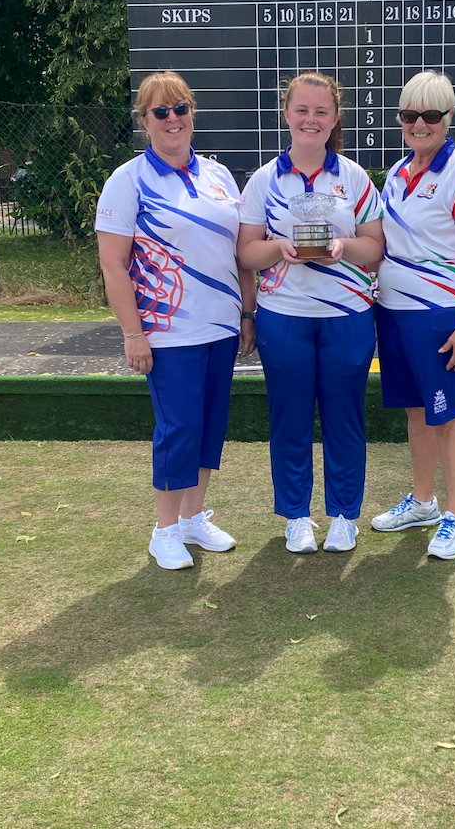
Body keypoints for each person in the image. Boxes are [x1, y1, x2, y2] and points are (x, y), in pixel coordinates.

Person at [95, 71, 257, 570]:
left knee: (209, 426)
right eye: (160, 111)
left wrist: (246, 312)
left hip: (221, 325)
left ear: (192, 113)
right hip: (166, 331)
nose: (173, 119)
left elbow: (240, 252)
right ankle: (163, 530)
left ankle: (191, 519)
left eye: (180, 108)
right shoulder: (127, 181)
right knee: (179, 426)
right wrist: (132, 333)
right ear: (144, 121)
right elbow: (112, 265)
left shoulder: (219, 175)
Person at [237, 72, 384, 554]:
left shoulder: (354, 177)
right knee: (290, 419)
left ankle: (343, 516)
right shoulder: (264, 179)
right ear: (286, 113)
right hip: (284, 316)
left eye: (321, 111)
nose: (311, 119)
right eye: (302, 110)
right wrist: (279, 247)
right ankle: (297, 516)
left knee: (345, 419)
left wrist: (342, 246)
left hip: (347, 316)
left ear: (335, 118)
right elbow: (246, 252)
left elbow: (375, 247)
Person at [370, 71, 455, 560]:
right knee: (417, 411)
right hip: (393, 311)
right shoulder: (398, 172)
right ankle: (423, 502)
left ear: (449, 118)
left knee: (448, 414)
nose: (419, 124)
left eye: (431, 115)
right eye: (409, 115)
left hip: (439, 313)